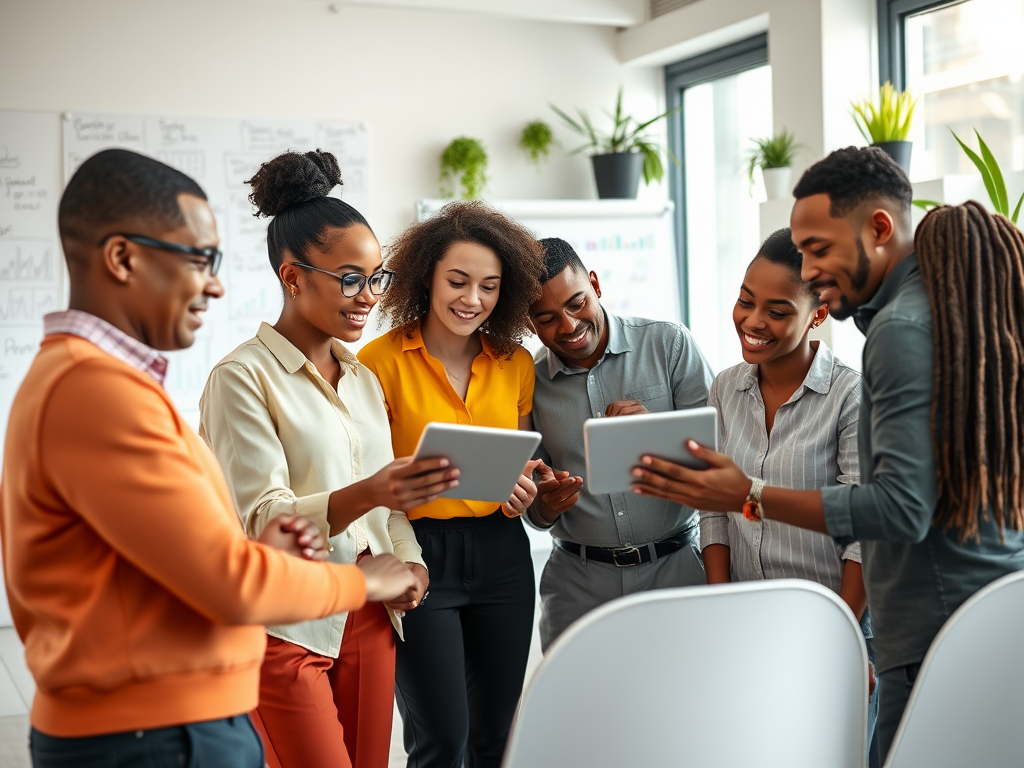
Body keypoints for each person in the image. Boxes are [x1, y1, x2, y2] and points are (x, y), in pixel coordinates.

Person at [0, 148, 417, 768]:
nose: (216, 284)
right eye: (200, 260)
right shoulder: (97, 392)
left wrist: (270, 546)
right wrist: (363, 580)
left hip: (165, 717)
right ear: (122, 258)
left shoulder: (98, 381)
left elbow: (180, 555)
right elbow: (225, 582)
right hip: (153, 726)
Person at [630, 147, 1024, 763]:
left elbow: (900, 508)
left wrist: (748, 494)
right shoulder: (942, 307)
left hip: (934, 629)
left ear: (879, 228)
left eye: (818, 248)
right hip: (983, 614)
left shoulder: (898, 331)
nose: (808, 269)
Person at [199, 150, 454, 768]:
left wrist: (413, 567)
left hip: (369, 616)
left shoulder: (362, 379)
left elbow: (389, 508)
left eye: (377, 278)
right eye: (349, 278)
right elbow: (264, 522)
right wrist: (370, 493)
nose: (368, 297)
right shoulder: (241, 379)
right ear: (292, 277)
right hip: (286, 627)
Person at [358, 201, 544, 768]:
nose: (472, 299)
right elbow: (363, 475)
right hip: (419, 552)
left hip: (502, 553)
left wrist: (523, 491)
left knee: (495, 736)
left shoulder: (516, 362)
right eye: (458, 281)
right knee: (442, 737)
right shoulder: (376, 363)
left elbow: (520, 460)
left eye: (489, 286)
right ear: (426, 279)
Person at [699, 227, 878, 761]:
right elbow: (713, 507)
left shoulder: (850, 393)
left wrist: (841, 638)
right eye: (745, 300)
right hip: (745, 623)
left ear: (818, 314)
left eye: (777, 311)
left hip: (829, 619)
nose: (752, 322)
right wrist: (719, 607)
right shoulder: (726, 386)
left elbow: (863, 532)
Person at [525, 237, 713, 652]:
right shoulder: (529, 383)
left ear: (595, 284)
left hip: (677, 573)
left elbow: (724, 461)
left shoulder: (669, 345)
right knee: (586, 713)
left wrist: (658, 433)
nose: (570, 325)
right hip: (578, 588)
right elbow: (533, 512)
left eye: (577, 303)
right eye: (548, 318)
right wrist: (545, 505)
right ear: (529, 324)